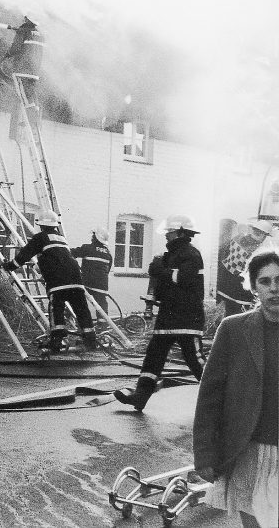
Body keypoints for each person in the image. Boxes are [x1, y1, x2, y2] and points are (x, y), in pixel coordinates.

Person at [194, 249, 279, 528]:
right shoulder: (233, 329)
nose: (274, 288)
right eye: (265, 281)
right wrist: (205, 454)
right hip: (248, 450)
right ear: (254, 287)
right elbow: (210, 397)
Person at [115, 214, 206, 412]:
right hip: (168, 315)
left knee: (195, 360)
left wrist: (160, 271)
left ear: (180, 233)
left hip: (187, 317)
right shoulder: (171, 255)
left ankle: (220, 399)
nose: (166, 235)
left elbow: (184, 279)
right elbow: (168, 284)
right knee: (153, 357)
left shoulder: (191, 253)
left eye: (169, 232)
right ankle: (140, 396)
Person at [2, 208, 98, 351]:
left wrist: (10, 266)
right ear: (55, 225)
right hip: (76, 280)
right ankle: (91, 341)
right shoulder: (61, 238)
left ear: (40, 225)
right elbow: (58, 257)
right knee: (82, 309)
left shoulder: (40, 237)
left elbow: (25, 254)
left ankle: (56, 341)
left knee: (56, 309)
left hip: (58, 281)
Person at [217, 219, 274, 317]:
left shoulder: (237, 238)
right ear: (263, 234)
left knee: (229, 315)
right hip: (241, 291)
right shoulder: (257, 249)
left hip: (225, 285)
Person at [3, 16, 44, 140]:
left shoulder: (23, 30)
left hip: (22, 70)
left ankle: (32, 122)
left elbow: (15, 48)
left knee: (24, 98)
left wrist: (7, 55)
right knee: (32, 97)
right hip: (34, 72)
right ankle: (36, 122)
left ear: (27, 20)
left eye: (24, 18)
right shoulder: (41, 34)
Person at [71, 227, 114, 317]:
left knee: (75, 296)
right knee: (101, 303)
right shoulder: (108, 254)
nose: (92, 237)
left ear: (96, 237)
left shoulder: (87, 248)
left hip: (88, 282)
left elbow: (72, 253)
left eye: (93, 236)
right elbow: (107, 270)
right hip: (102, 284)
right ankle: (103, 325)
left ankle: (73, 317)